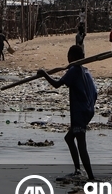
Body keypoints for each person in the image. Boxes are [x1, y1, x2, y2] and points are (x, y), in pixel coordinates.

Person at [37, 45, 97, 179]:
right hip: (88, 110)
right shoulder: (86, 71)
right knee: (69, 138)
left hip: (80, 111)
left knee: (81, 143)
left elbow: (57, 84)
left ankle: (91, 177)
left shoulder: (75, 70)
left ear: (73, 58)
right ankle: (77, 170)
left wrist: (44, 74)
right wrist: (89, 107)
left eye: (69, 57)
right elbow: (95, 92)